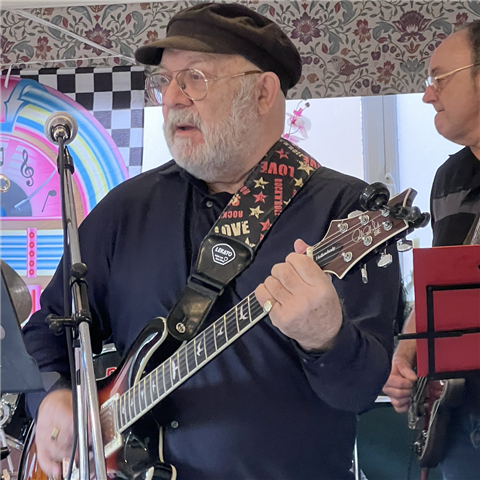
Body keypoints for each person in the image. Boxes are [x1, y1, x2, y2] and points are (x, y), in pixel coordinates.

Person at [23, 3, 401, 479]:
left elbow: (359, 392)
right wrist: (52, 396)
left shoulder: (346, 213)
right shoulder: (126, 209)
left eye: (195, 78)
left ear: (262, 93)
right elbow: (47, 331)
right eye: (166, 81)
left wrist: (326, 337)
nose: (172, 98)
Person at [383, 21, 480, 480]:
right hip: (457, 421)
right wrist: (405, 356)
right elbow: (441, 289)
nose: (427, 95)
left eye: (439, 78)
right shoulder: (450, 178)